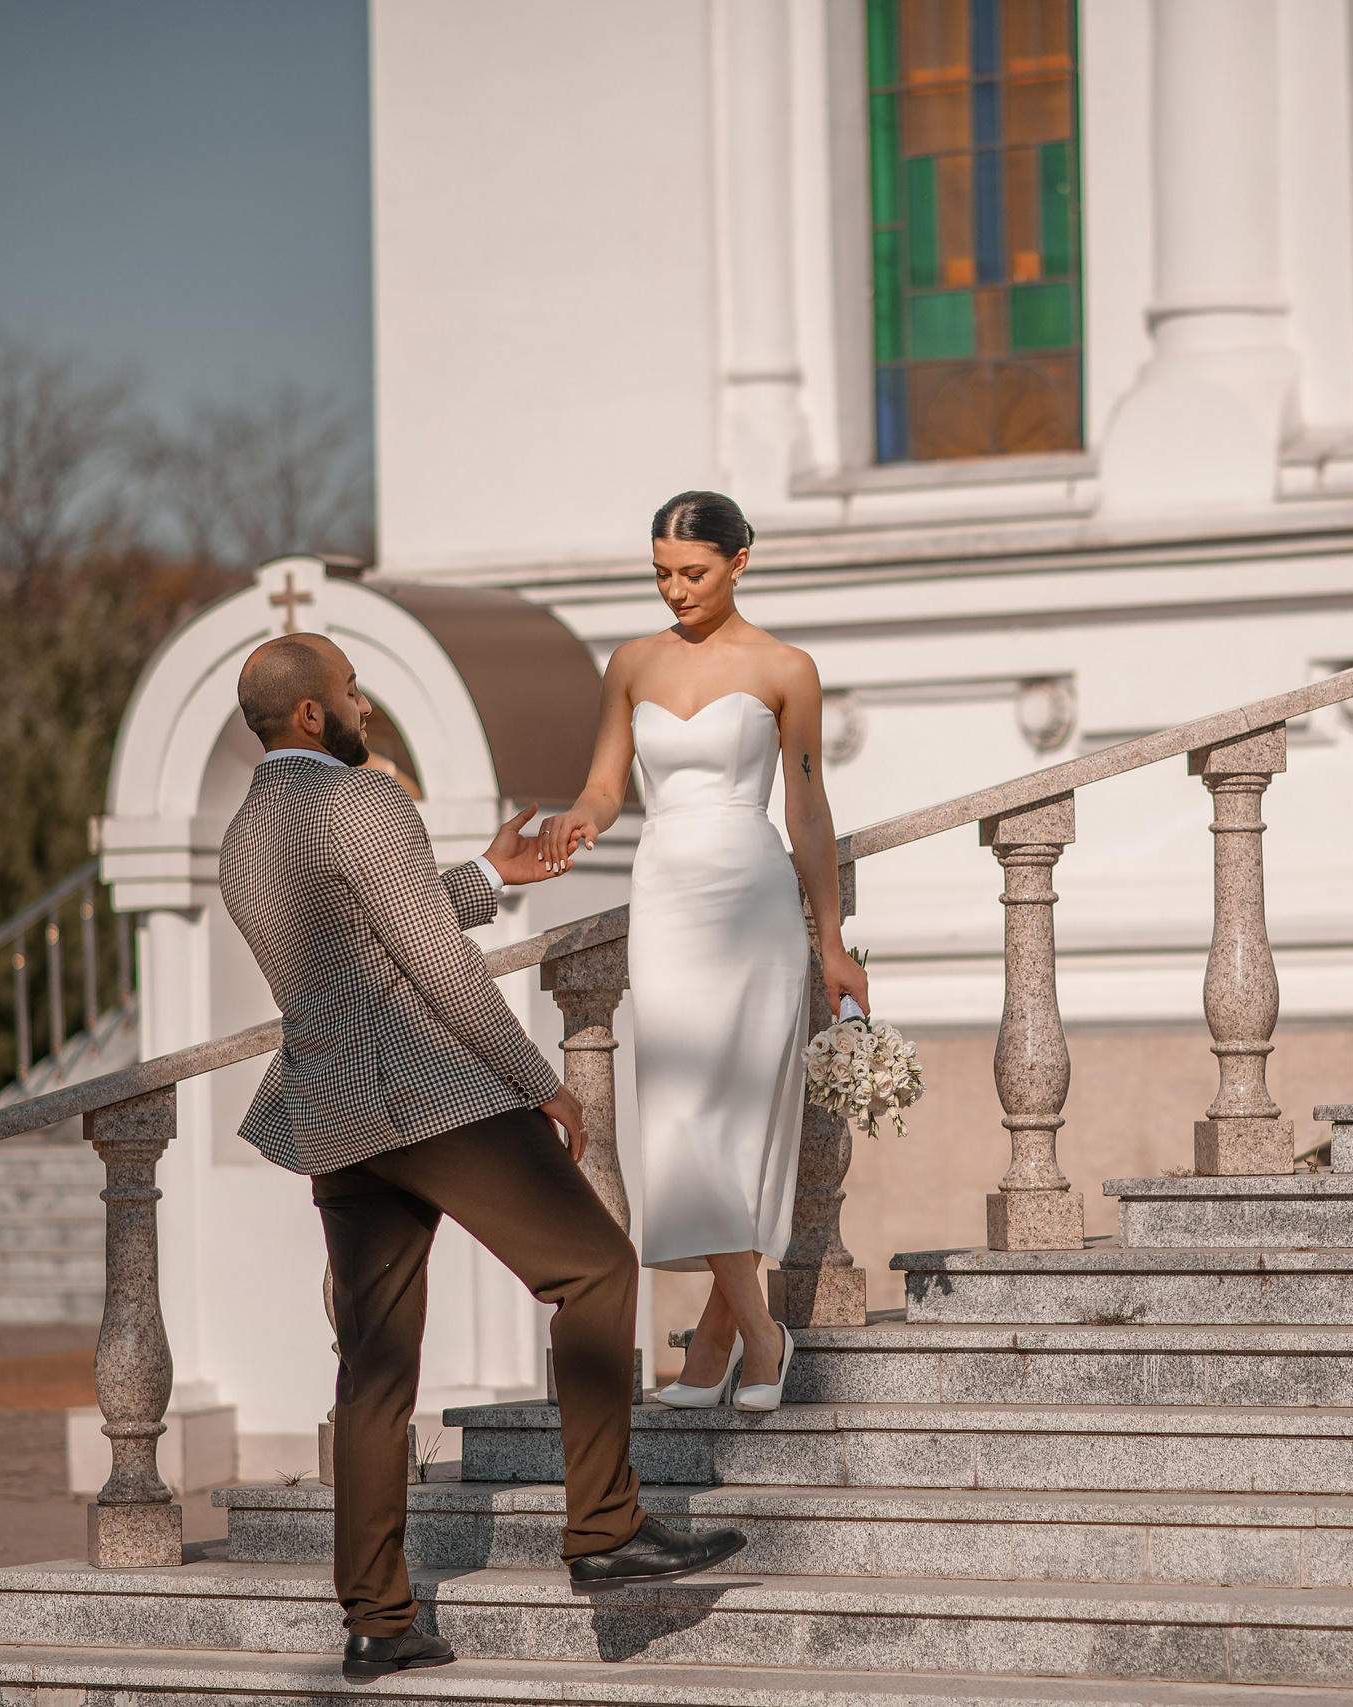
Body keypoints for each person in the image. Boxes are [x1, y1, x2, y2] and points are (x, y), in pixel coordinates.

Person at [217, 632, 744, 1681]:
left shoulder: (244, 837)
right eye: (353, 691)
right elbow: (434, 967)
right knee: (595, 1270)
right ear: (315, 714)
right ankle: (605, 1531)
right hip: (428, 1095)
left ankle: (376, 1620)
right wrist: (537, 1079)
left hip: (336, 1118)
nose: (366, 704)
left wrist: (485, 876)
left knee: (372, 1374)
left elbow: (365, 926)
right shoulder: (363, 802)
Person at [539, 491, 868, 1412]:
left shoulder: (786, 668)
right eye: (660, 573)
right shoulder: (632, 663)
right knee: (681, 1113)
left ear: (739, 560)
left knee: (744, 1111)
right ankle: (762, 1332)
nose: (674, 590)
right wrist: (578, 820)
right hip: (668, 897)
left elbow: (806, 807)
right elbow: (607, 786)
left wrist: (829, 938)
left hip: (754, 897)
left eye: (692, 572)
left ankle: (721, 1341)